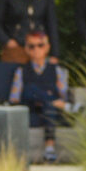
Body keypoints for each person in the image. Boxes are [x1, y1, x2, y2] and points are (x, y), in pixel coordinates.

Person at [9, 31, 74, 163]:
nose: (36, 49)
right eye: (31, 46)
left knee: (48, 105)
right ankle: (63, 106)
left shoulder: (57, 70)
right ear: (26, 49)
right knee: (29, 89)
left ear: (47, 47)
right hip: (30, 107)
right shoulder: (21, 71)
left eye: (40, 45)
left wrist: (50, 101)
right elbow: (14, 99)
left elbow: (64, 94)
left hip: (50, 110)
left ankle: (49, 148)